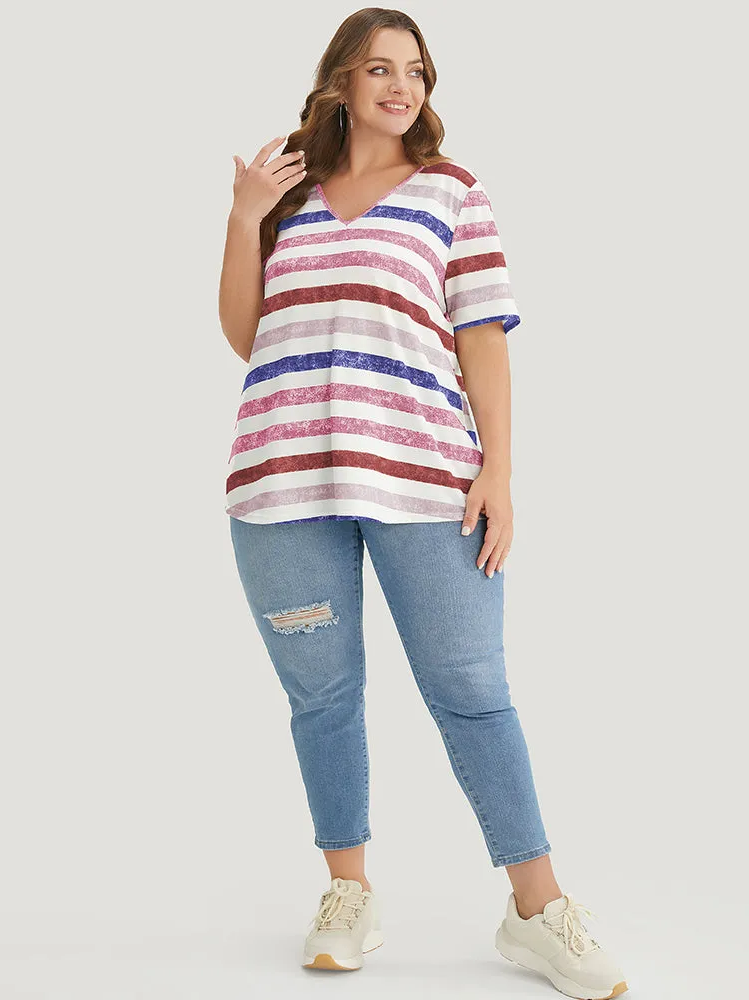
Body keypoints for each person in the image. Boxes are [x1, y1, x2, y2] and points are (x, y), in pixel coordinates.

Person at [218, 9, 628, 998]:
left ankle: (538, 909)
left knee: (472, 690)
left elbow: (483, 336)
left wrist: (500, 471)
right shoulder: (290, 195)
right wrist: (242, 219)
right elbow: (246, 335)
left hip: (426, 478)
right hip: (281, 483)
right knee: (322, 698)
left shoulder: (452, 193)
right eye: (378, 69)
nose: (401, 86)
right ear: (341, 83)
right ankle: (347, 893)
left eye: (415, 71)